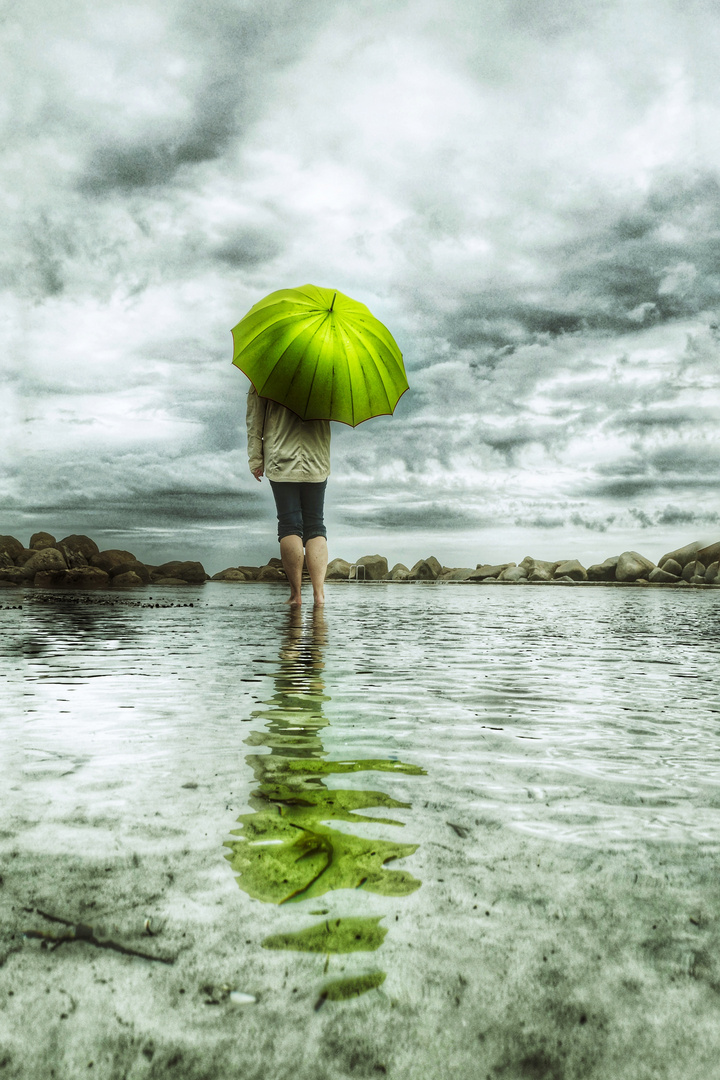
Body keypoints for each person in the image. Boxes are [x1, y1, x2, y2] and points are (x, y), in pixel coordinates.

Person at [246, 385, 331, 606]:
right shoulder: (326, 369)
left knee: (289, 524)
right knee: (315, 525)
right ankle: (319, 595)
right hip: (317, 457)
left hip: (280, 457)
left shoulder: (266, 372)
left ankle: (296, 596)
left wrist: (256, 459)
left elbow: (255, 419)